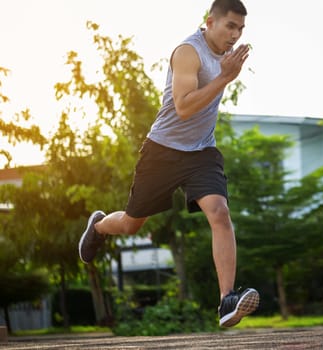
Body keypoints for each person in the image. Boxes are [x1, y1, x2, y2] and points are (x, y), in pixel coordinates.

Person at [78, 0, 259, 328]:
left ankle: (227, 300)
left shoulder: (226, 58)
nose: (236, 35)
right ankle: (100, 226)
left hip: (202, 151)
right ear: (210, 22)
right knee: (133, 224)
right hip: (162, 151)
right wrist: (225, 79)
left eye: (241, 29)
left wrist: (226, 73)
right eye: (230, 26)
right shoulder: (188, 52)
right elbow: (184, 107)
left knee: (219, 212)